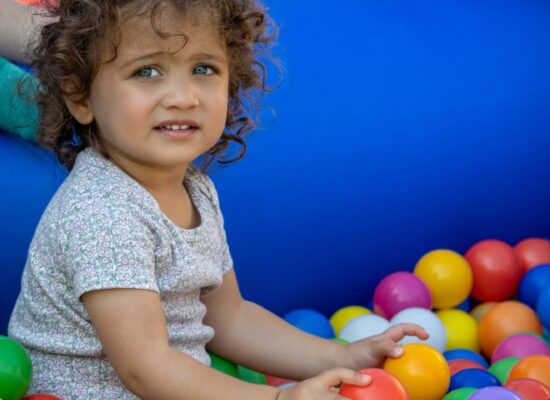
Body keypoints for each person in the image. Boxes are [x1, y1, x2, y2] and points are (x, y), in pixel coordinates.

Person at [7, 0, 429, 399]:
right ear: (81, 97)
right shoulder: (103, 213)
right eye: (148, 71)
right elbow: (144, 367)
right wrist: (279, 396)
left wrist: (341, 357)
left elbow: (230, 319)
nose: (184, 96)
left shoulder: (195, 188)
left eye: (204, 68)